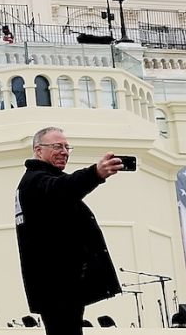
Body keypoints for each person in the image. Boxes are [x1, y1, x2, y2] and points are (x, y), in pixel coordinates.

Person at [15, 127, 123, 335]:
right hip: (57, 286)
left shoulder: (38, 181)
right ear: (38, 151)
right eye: (57, 146)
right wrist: (96, 173)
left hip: (59, 285)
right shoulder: (35, 181)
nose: (64, 151)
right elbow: (64, 188)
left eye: (66, 147)